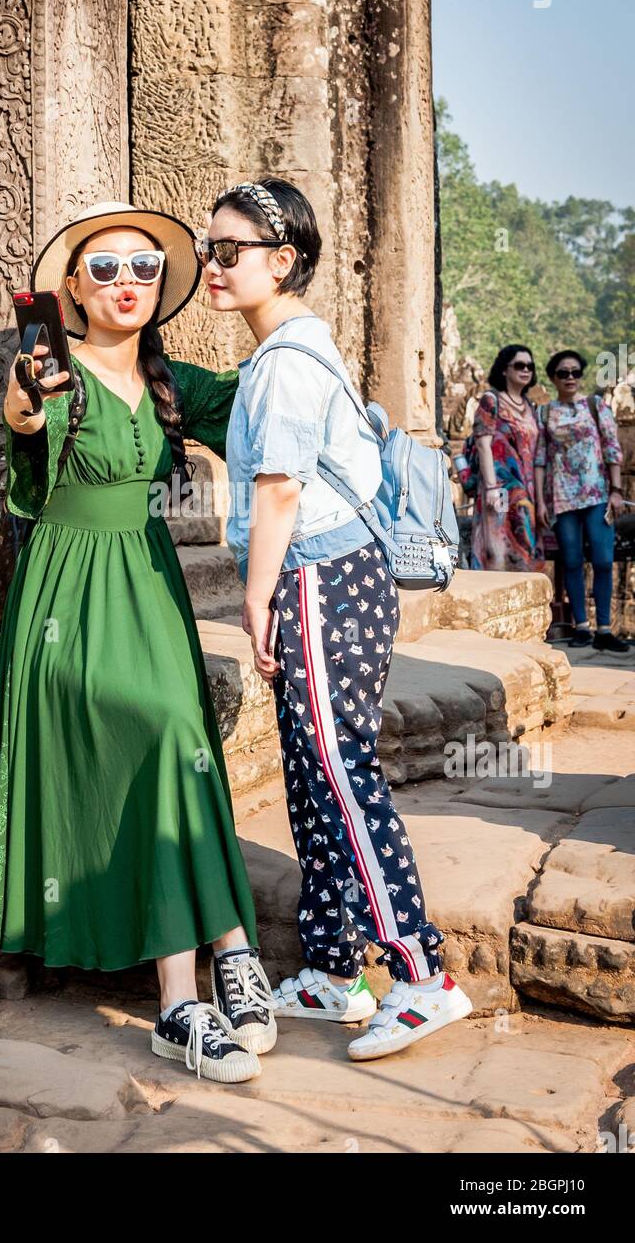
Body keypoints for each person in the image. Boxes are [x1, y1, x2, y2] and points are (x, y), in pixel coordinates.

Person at [0, 200, 277, 1083]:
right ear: (71, 286)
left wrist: (265, 295)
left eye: (145, 269)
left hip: (150, 593)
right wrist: (29, 401)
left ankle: (213, 971)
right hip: (69, 595)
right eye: (104, 269)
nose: (127, 285)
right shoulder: (47, 369)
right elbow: (23, 448)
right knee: (161, 730)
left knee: (186, 737)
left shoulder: (172, 379)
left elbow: (269, 406)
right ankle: (196, 988)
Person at [196, 177, 472, 1061]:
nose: (211, 265)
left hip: (318, 579)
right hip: (336, 579)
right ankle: (330, 967)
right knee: (313, 771)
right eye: (209, 248)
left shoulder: (284, 360)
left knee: (343, 775)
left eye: (229, 251)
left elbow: (279, 488)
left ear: (283, 261)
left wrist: (254, 598)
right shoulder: (293, 349)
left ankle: (423, 976)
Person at [535, 349, 628, 652]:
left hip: (597, 493)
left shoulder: (595, 405)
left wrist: (616, 490)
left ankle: (604, 628)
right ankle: (582, 627)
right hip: (561, 496)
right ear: (553, 378)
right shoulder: (546, 412)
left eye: (575, 372)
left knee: (602, 560)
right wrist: (541, 500)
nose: (570, 378)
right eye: (563, 373)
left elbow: (612, 447)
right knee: (572, 561)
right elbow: (540, 459)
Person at [469, 345, 544, 573]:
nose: (526, 370)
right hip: (498, 491)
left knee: (524, 554)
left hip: (526, 493)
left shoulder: (531, 407)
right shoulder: (491, 401)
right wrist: (491, 487)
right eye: (519, 365)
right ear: (504, 370)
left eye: (529, 366)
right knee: (497, 552)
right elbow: (483, 444)